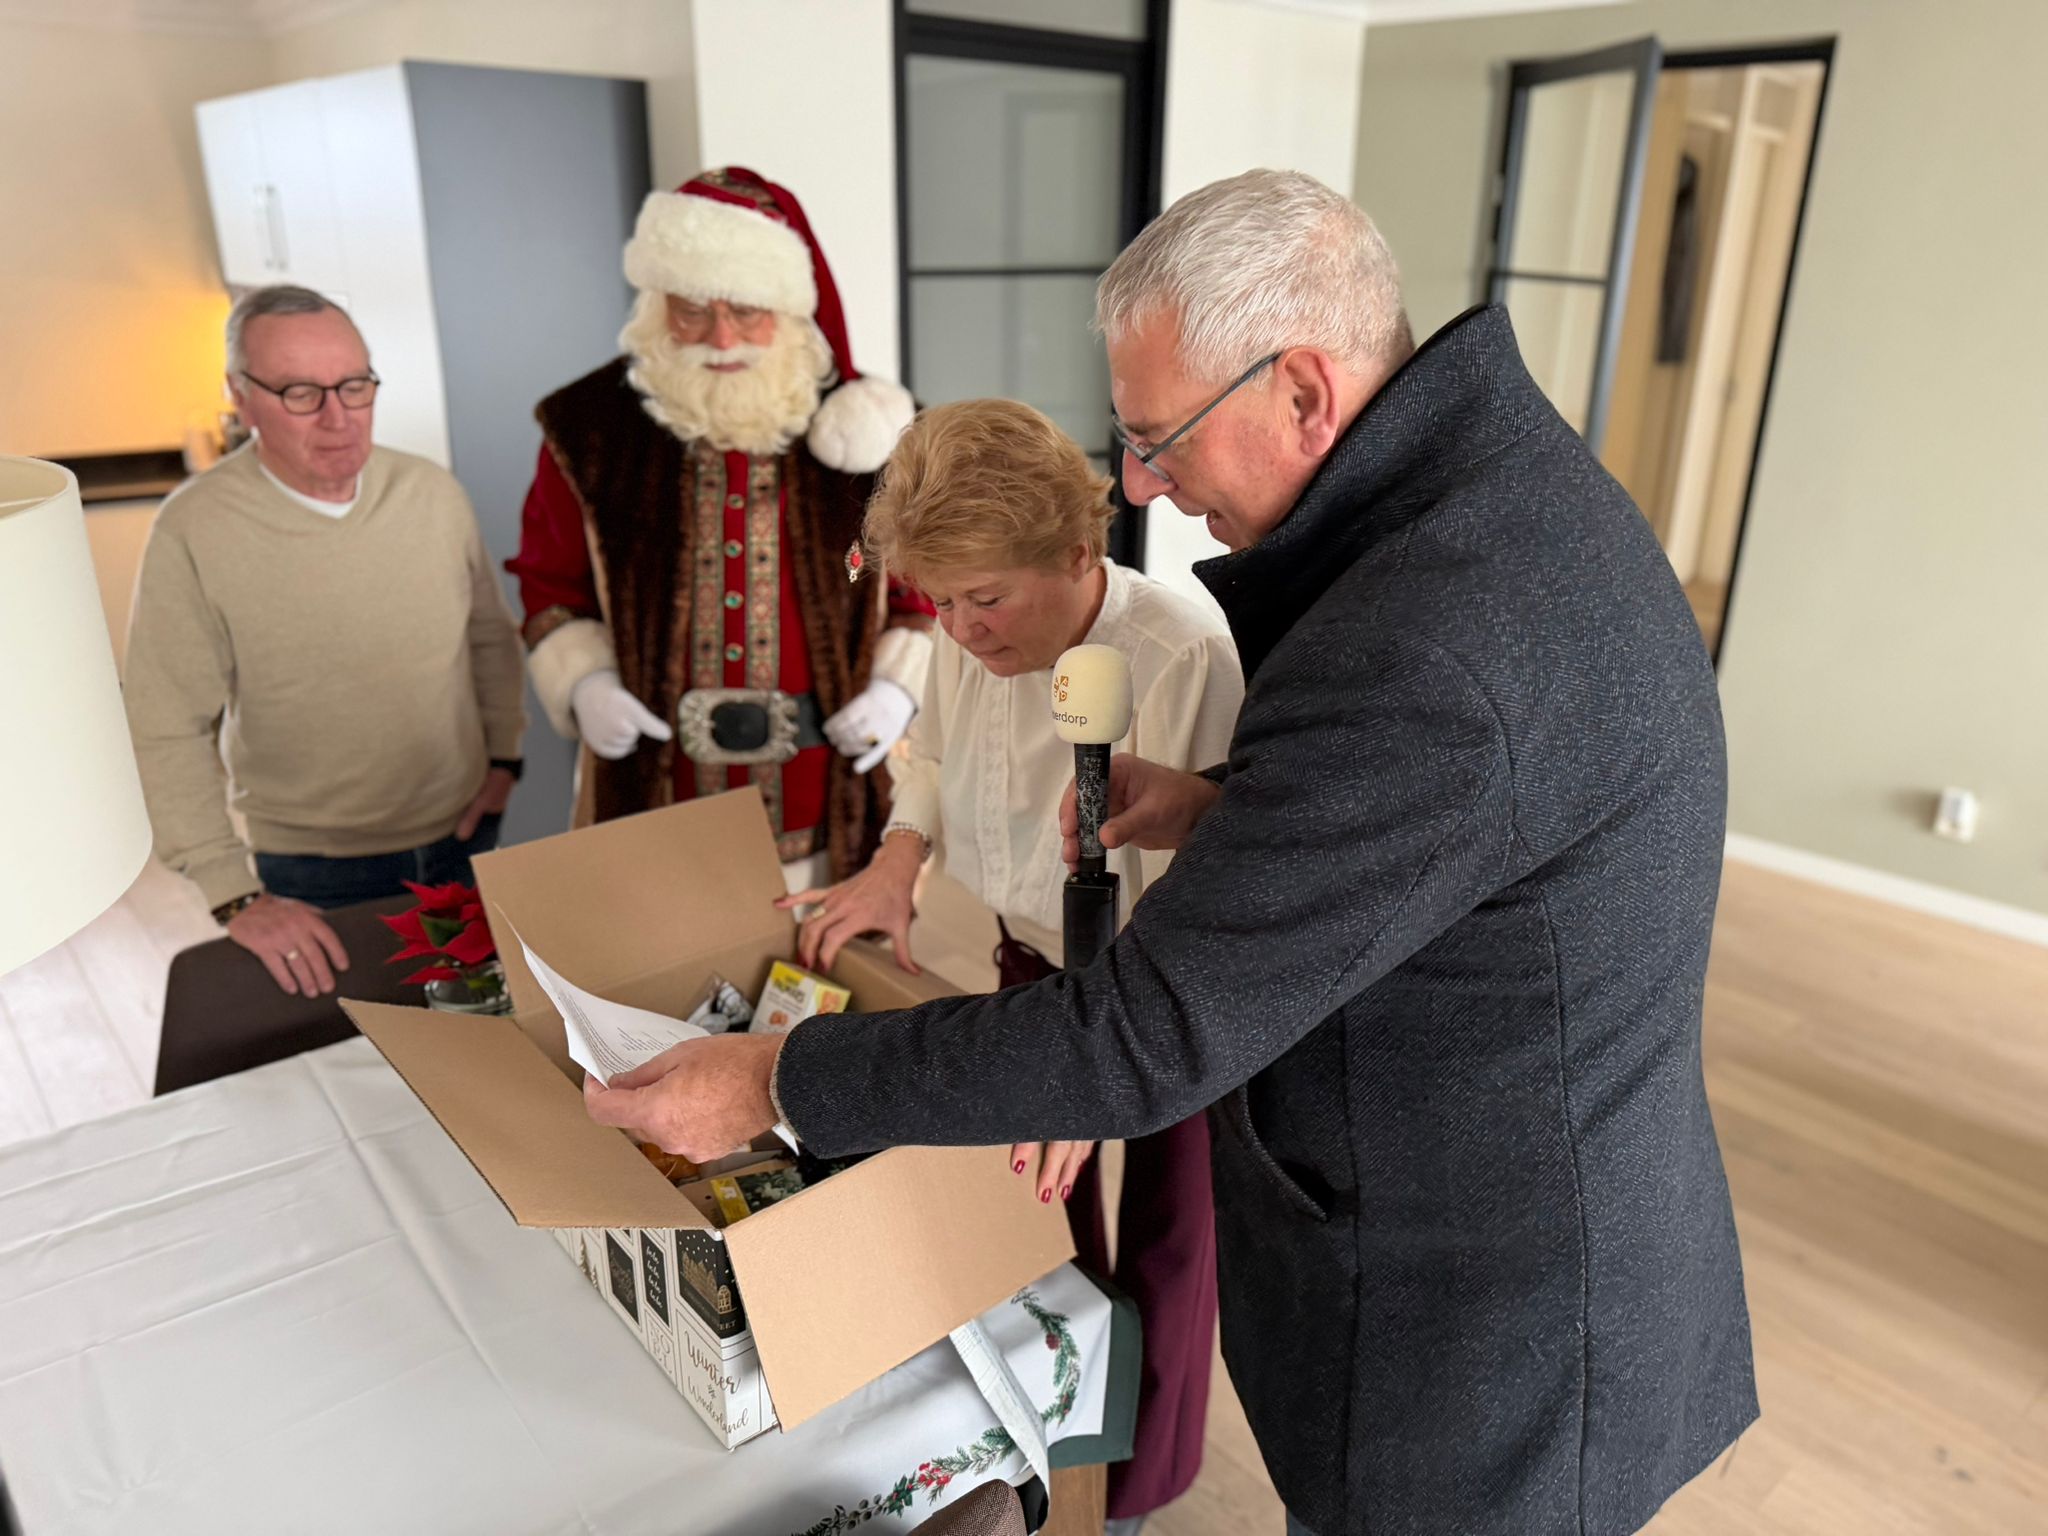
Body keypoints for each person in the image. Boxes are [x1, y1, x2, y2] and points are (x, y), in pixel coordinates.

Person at [584, 170, 1759, 1535]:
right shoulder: (1501, 494)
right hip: (1558, 1207)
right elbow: (1482, 831)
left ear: (1306, 393)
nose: (1143, 481)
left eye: (1163, 440)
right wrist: (1225, 809)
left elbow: (1145, 1040)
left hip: (1496, 1320)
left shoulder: (1419, 641)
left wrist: (775, 1080)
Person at [776, 399, 1242, 1530]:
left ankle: (1135, 1490)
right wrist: (898, 859)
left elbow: (1220, 892)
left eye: (985, 600)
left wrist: (1109, 1058)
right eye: (940, 603)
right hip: (1025, 966)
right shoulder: (958, 636)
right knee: (1033, 1221)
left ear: (1080, 553)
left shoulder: (1182, 656)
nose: (963, 630)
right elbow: (928, 756)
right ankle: (1053, 1444)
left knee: (1175, 1238)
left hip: (1164, 997)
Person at [507, 167, 934, 889]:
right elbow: (551, 581)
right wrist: (584, 681)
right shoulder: (587, 429)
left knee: (831, 984)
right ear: (657, 304)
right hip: (657, 788)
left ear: (791, 308)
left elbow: (926, 583)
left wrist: (899, 688)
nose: (721, 337)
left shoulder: (873, 433)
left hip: (825, 788)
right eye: (693, 310)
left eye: (747, 309)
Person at [125, 284, 527, 999]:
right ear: (242, 398)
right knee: (365, 1066)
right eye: (302, 393)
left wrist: (503, 758)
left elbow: (489, 640)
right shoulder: (192, 530)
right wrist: (232, 892)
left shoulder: (433, 493)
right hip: (317, 869)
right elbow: (164, 727)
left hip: (465, 833)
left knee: (479, 1033)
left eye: (355, 385)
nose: (340, 419)